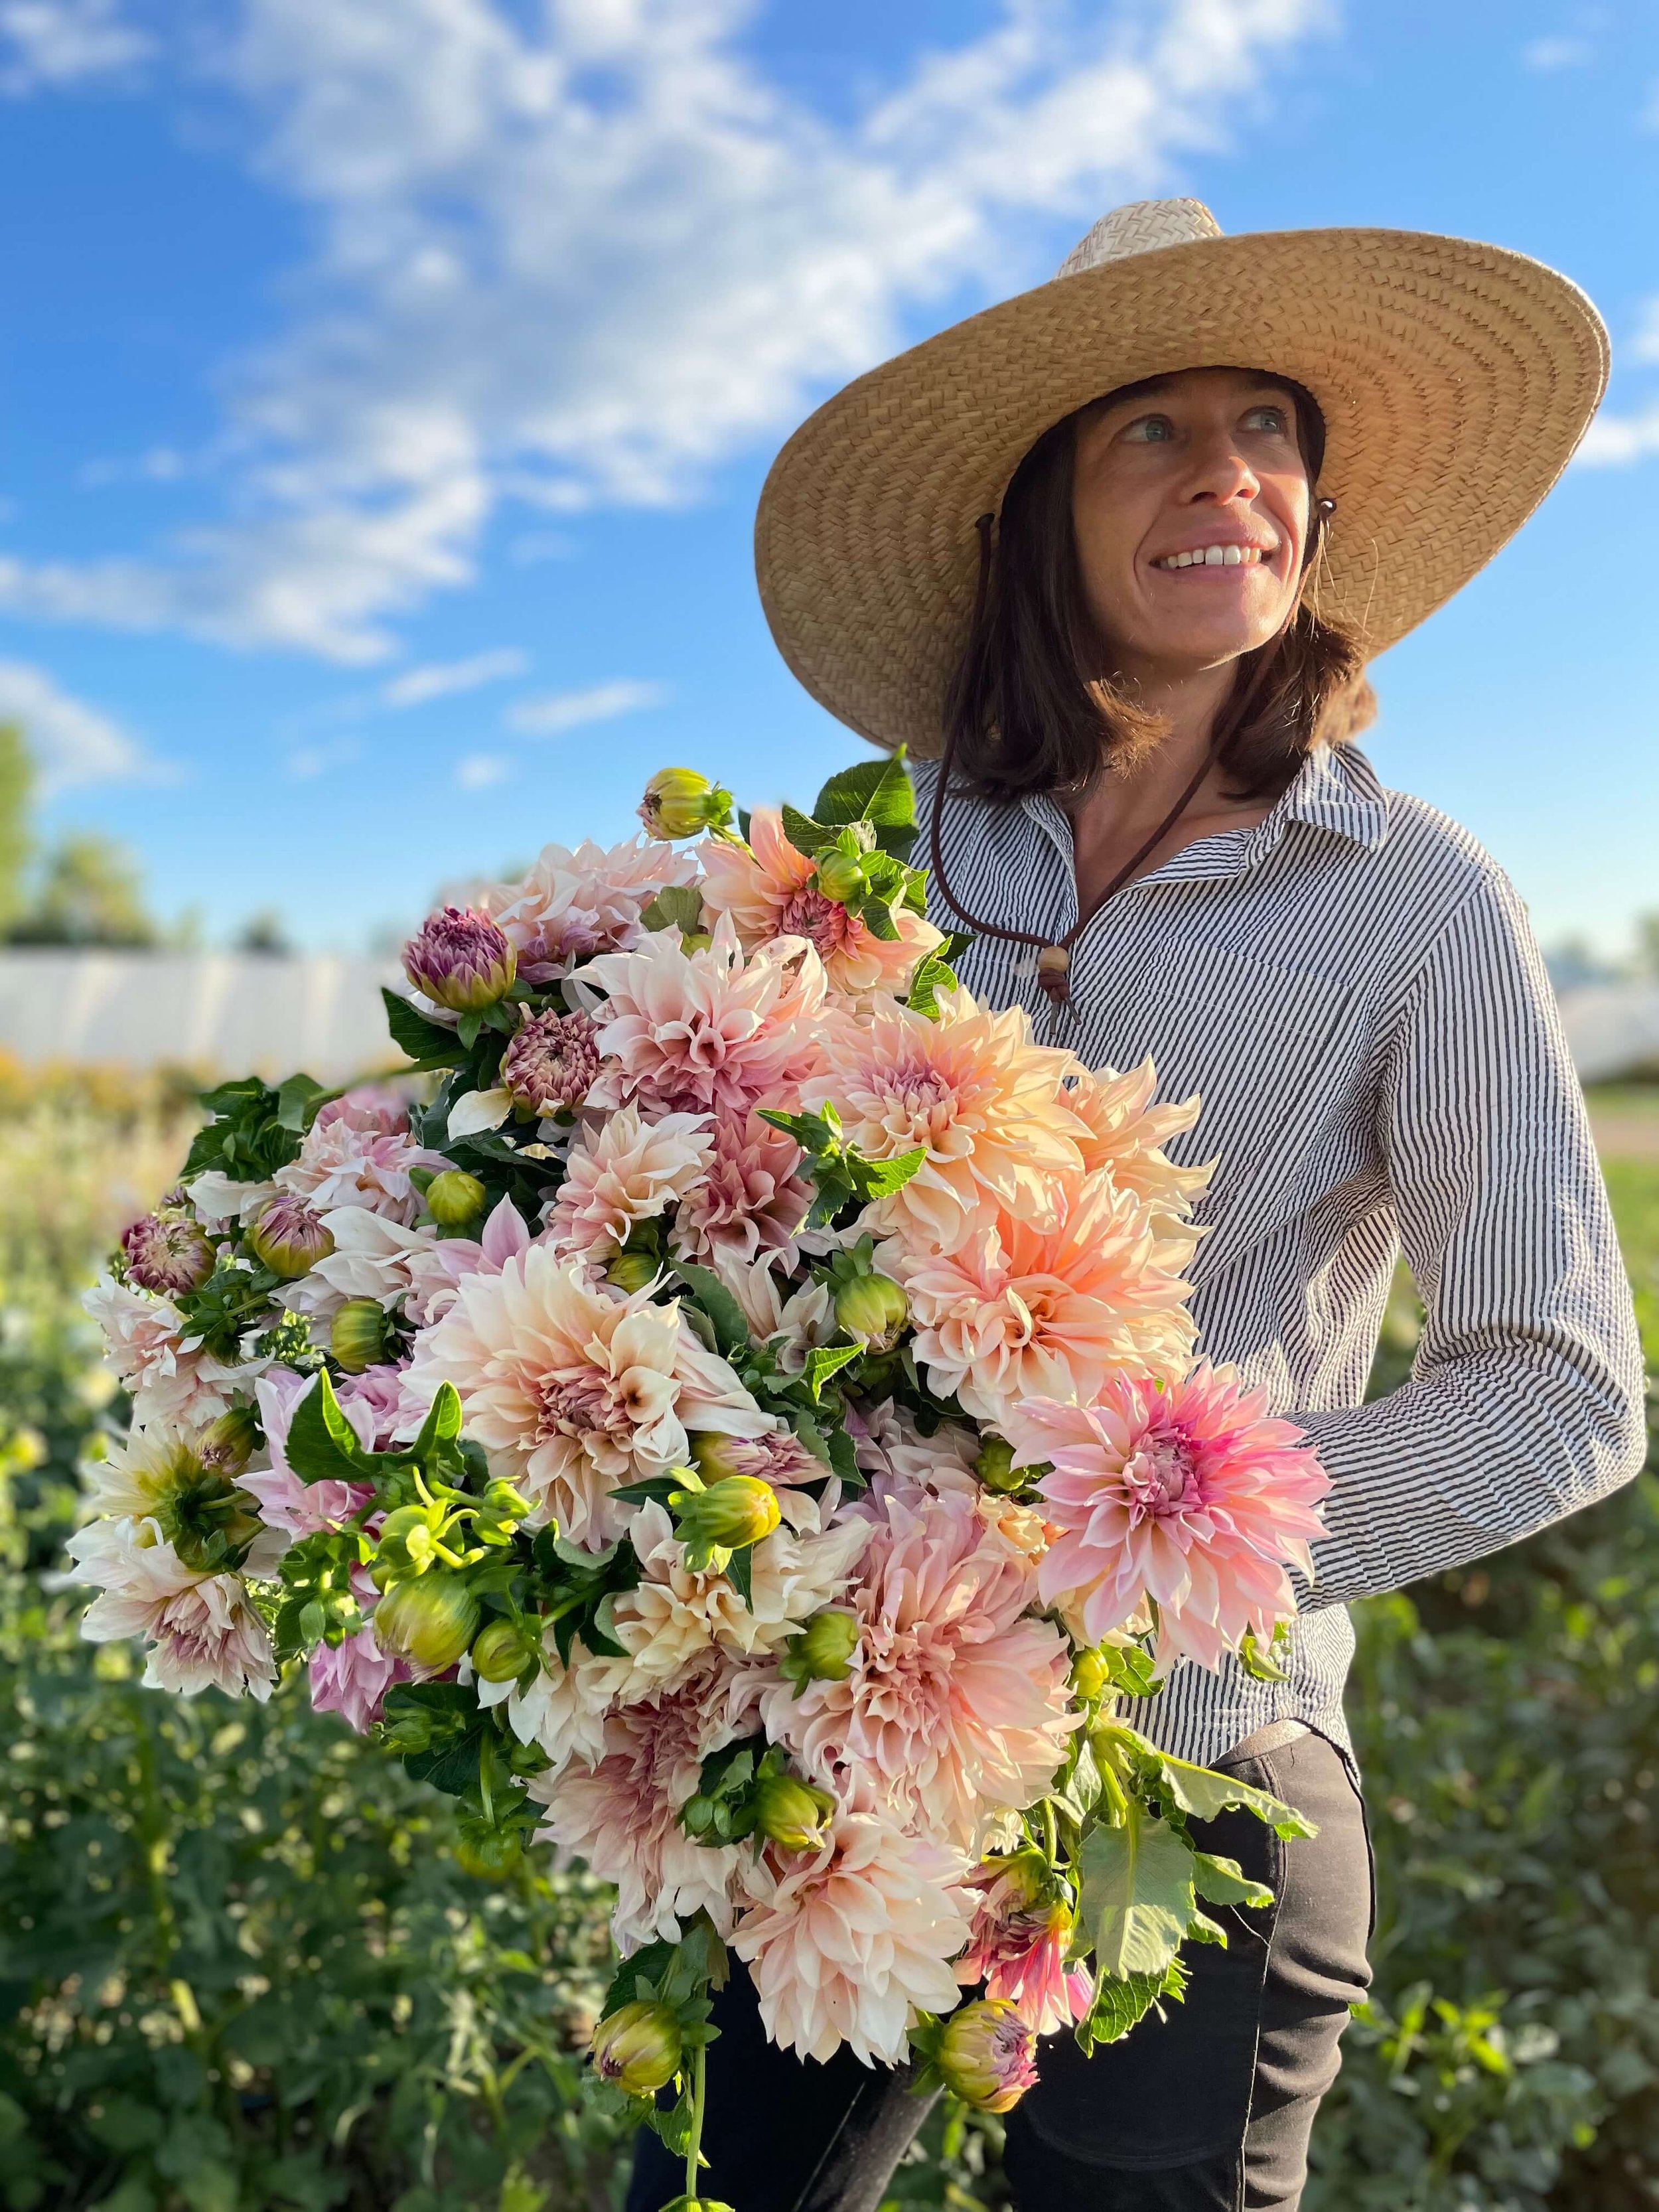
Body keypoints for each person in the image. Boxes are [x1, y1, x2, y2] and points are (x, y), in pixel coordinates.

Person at [629, 197, 1648, 2212]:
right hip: (846, 1761)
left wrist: (1128, 1551)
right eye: (1149, 430)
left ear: (1314, 508)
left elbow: (1564, 1392)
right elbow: (736, 1251)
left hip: (1186, 1789)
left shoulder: (1415, 902)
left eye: (1266, 426)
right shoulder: (881, 866)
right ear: (1040, 512)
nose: (1225, 474)